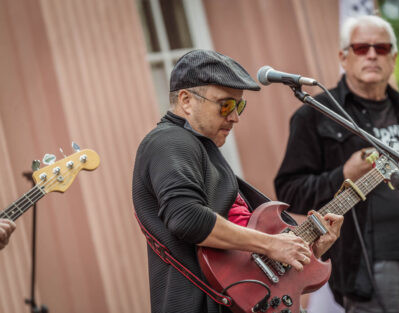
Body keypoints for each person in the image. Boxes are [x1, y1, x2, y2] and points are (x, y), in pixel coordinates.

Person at [275, 15, 399, 313]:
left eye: (381, 48)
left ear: (393, 58)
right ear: (344, 56)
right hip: (371, 275)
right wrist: (343, 174)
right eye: (361, 47)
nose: (372, 55)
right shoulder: (316, 115)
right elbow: (289, 190)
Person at [132, 49, 344, 313]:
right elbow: (186, 218)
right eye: (226, 105)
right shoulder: (170, 141)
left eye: (239, 105)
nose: (235, 116)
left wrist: (309, 249)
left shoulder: (199, 148)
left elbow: (244, 256)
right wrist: (271, 244)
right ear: (186, 100)